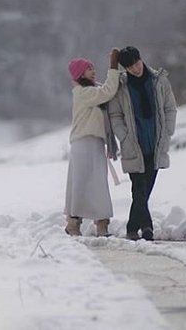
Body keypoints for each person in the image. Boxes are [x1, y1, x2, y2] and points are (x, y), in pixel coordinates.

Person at [108, 46, 177, 241]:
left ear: (141, 59)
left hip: (156, 142)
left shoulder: (158, 80)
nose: (136, 69)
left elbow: (170, 107)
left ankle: (132, 227)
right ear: (125, 69)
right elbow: (115, 115)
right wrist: (124, 136)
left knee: (146, 189)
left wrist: (168, 131)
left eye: (137, 63)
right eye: (130, 67)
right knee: (138, 187)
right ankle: (147, 228)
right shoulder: (122, 87)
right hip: (133, 144)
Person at [64, 49, 121, 237]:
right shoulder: (83, 93)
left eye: (93, 68)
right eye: (89, 69)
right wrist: (113, 66)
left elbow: (106, 91)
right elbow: (108, 91)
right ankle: (74, 224)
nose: (93, 71)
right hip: (83, 144)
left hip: (94, 143)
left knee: (97, 184)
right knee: (80, 183)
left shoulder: (91, 90)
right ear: (81, 74)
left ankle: (101, 224)